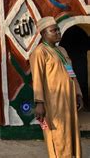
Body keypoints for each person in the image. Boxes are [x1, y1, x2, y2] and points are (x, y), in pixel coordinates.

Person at [29, 17, 83, 158]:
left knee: (70, 130)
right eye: (53, 30)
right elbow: (37, 79)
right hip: (53, 101)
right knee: (58, 132)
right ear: (44, 34)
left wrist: (77, 93)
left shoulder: (62, 50)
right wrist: (39, 103)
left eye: (58, 29)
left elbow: (71, 72)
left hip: (68, 99)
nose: (58, 32)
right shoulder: (40, 52)